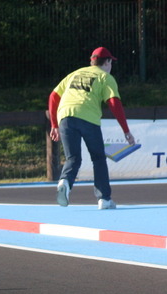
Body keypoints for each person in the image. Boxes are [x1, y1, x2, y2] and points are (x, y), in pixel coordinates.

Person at [48, 47, 135, 209]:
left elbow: (54, 96)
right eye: (111, 62)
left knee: (73, 158)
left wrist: (54, 124)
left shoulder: (75, 74)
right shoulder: (105, 77)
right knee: (98, 158)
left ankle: (64, 181)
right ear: (107, 62)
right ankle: (104, 199)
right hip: (88, 118)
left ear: (92, 61)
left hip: (66, 116)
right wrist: (126, 130)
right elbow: (114, 103)